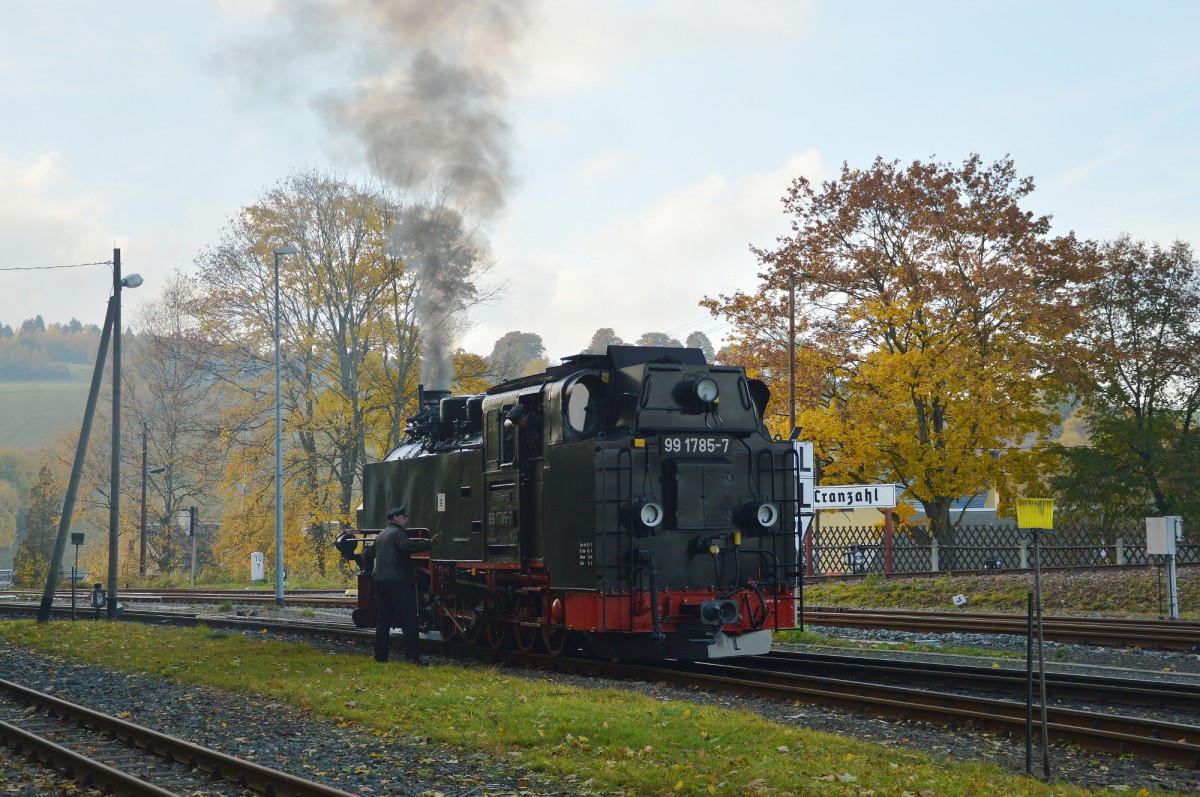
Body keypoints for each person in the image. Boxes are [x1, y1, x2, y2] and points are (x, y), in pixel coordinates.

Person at [373, 507, 439, 664]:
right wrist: (429, 543)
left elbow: (369, 555)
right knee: (409, 619)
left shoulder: (380, 535)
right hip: (398, 582)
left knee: (383, 620)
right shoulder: (398, 534)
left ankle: (380, 657)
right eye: (404, 517)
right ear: (396, 518)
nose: (407, 520)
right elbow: (407, 546)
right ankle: (413, 657)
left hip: (381, 582)